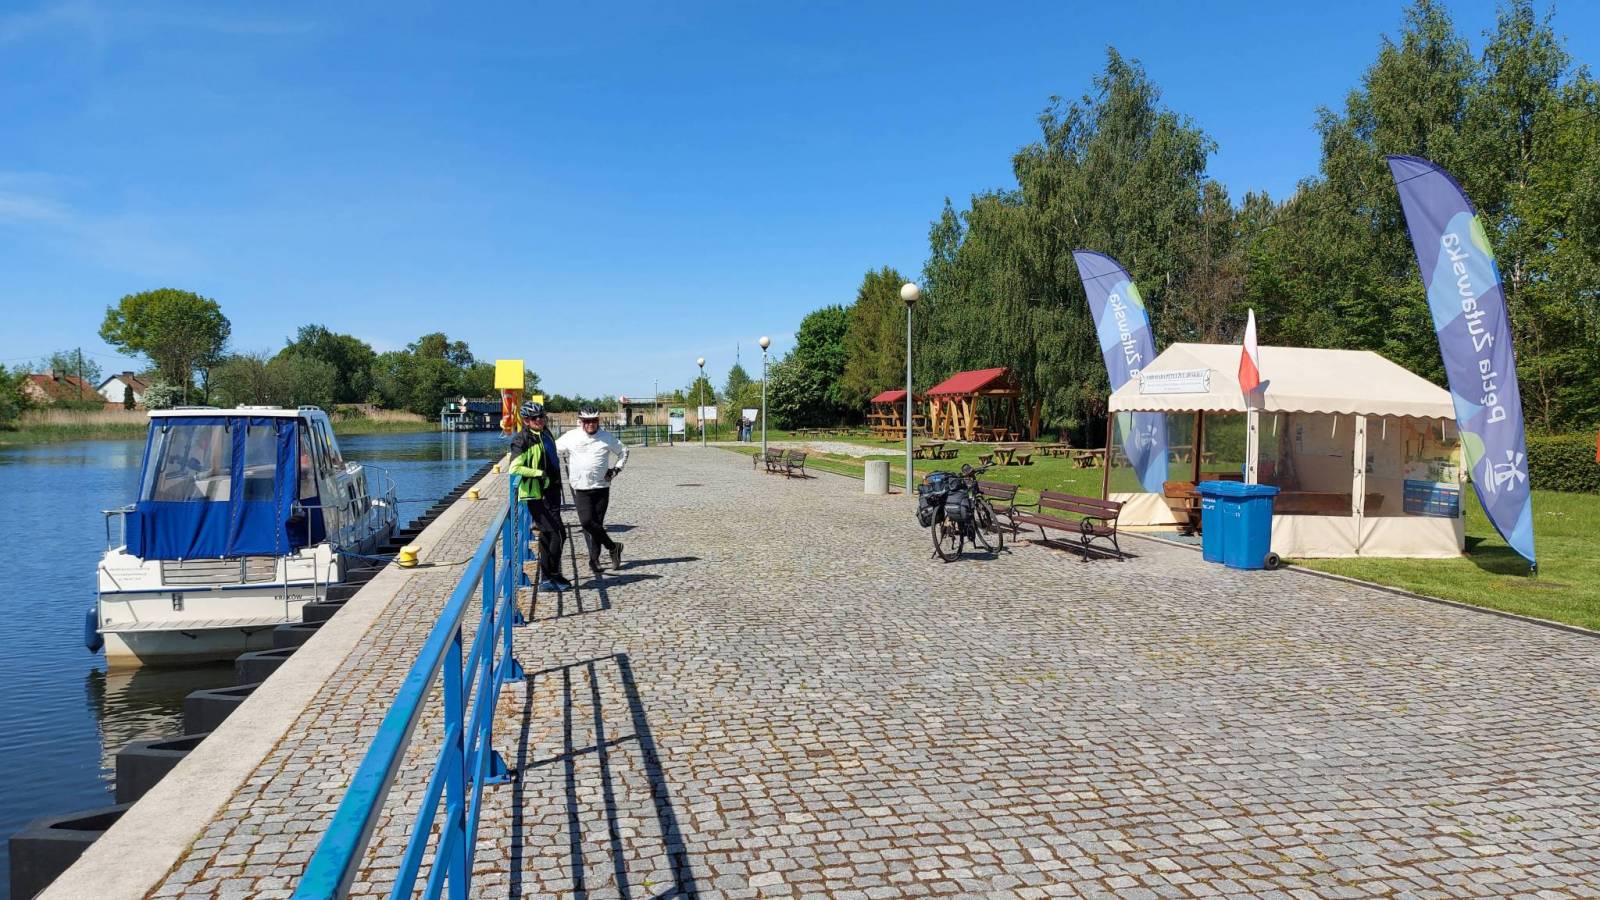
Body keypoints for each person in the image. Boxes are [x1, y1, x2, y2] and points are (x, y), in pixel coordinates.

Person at [556, 405, 628, 575]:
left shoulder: (606, 437)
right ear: (580, 421)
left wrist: (616, 469)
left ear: (598, 420)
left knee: (597, 525)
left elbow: (624, 451)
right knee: (587, 522)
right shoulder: (571, 436)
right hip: (581, 487)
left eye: (594, 420)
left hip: (602, 487)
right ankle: (613, 546)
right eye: (586, 421)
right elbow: (550, 449)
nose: (590, 424)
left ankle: (594, 560)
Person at [509, 401, 570, 591]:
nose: (540, 420)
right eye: (535, 418)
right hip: (536, 494)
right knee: (555, 534)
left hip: (552, 491)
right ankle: (548, 578)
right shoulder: (522, 440)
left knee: (552, 534)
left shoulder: (546, 434)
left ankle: (552, 575)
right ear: (526, 421)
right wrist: (538, 473)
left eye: (542, 416)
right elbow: (514, 468)